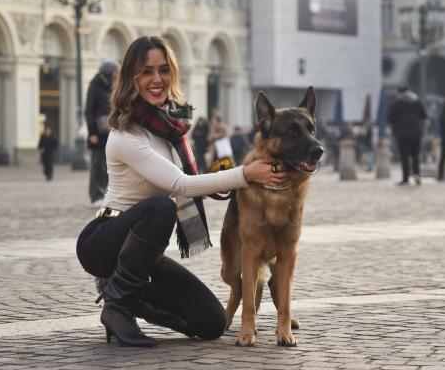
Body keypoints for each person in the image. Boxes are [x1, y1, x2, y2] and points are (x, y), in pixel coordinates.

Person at [75, 36, 288, 347]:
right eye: (146, 71)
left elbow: (185, 180)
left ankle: (128, 296)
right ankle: (117, 308)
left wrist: (217, 183)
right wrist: (245, 174)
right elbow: (179, 185)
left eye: (164, 70)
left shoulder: (170, 129)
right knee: (161, 208)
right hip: (105, 241)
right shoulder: (125, 134)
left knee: (212, 323)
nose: (156, 79)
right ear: (131, 78)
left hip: (141, 254)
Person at [85, 61, 119, 207]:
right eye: (115, 71)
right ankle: (95, 195)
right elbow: (89, 111)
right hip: (97, 133)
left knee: (109, 165)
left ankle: (106, 194)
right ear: (109, 73)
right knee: (97, 164)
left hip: (110, 131)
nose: (117, 74)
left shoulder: (113, 86)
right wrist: (92, 132)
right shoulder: (94, 86)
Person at [387, 86, 428, 186]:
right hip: (416, 133)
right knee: (415, 155)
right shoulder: (417, 101)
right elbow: (424, 115)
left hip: (402, 134)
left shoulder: (397, 104)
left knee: (404, 157)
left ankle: (405, 179)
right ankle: (417, 174)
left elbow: (391, 118)